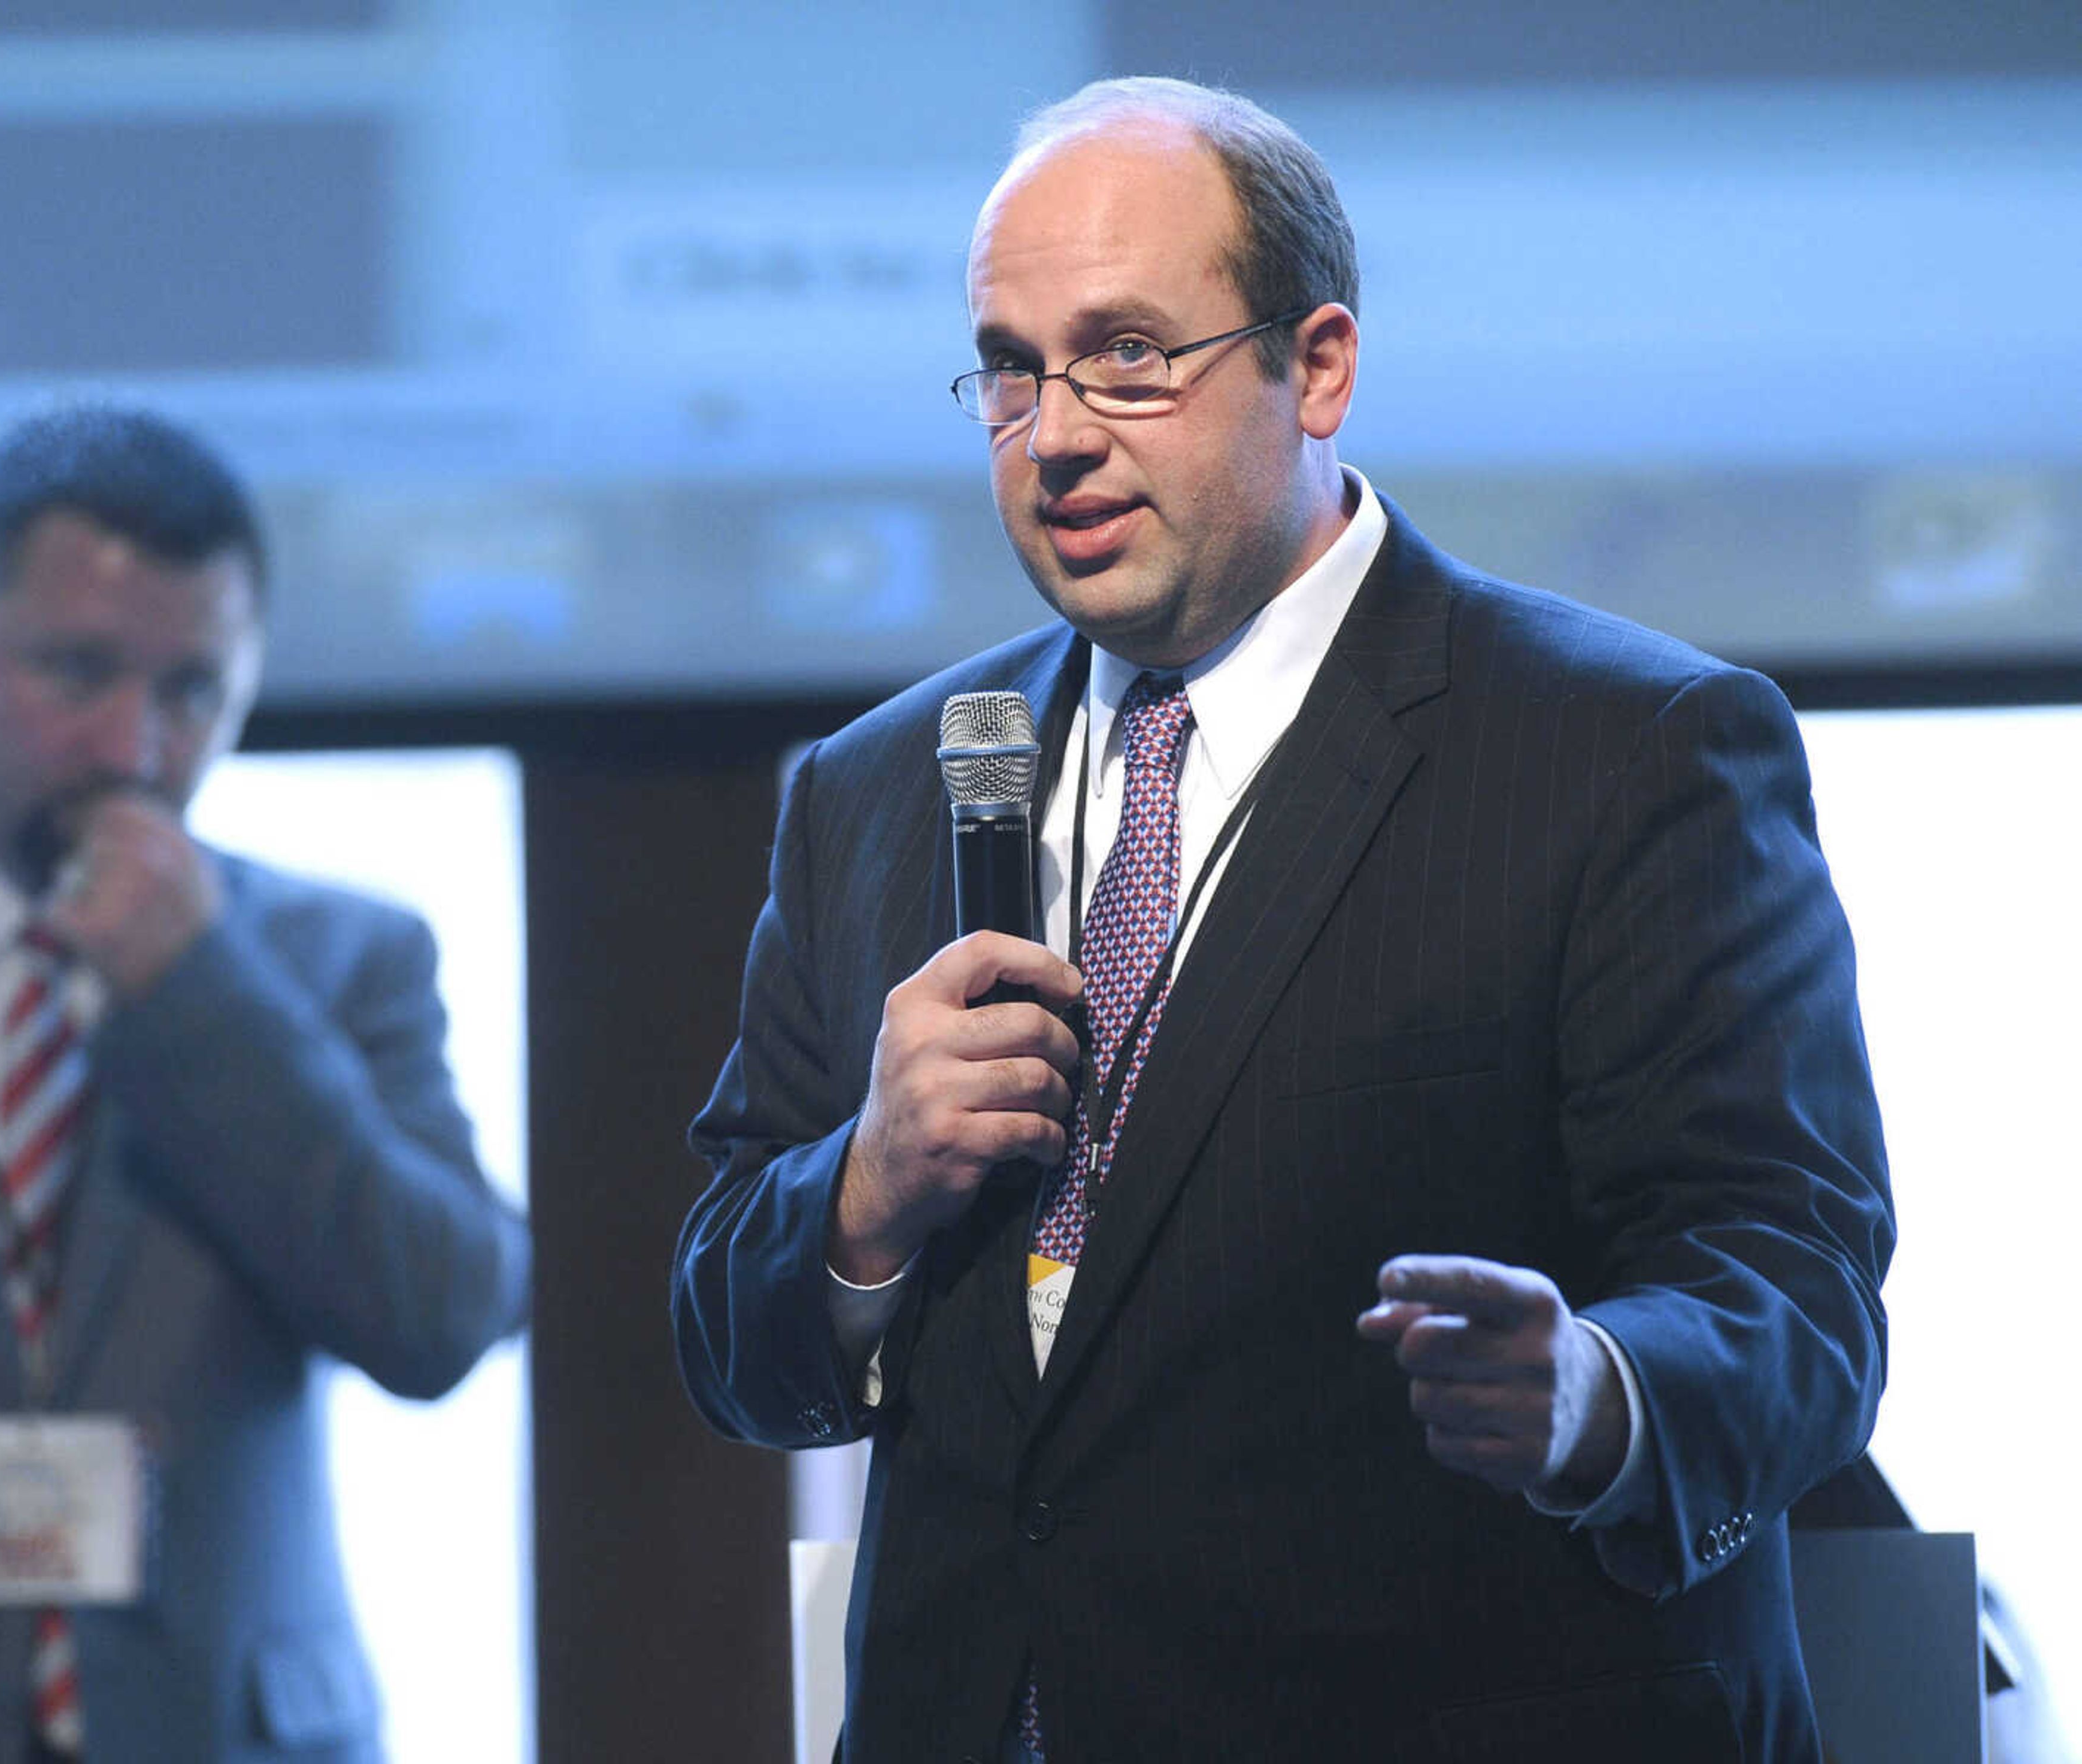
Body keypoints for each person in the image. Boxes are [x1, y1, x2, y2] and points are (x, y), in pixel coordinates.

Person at [671, 76, 1893, 1763]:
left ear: (1317, 365)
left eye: (1127, 355)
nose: (1056, 435)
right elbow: (728, 1335)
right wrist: (866, 1186)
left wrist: (1592, 1394)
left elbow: (1796, 1292)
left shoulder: (1626, 750)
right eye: (1011, 369)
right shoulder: (879, 788)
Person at [0, 402, 531, 1763]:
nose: (134, 749)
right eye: (77, 672)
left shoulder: (338, 958)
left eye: (191, 690)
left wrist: (202, 994)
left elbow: (444, 1319)